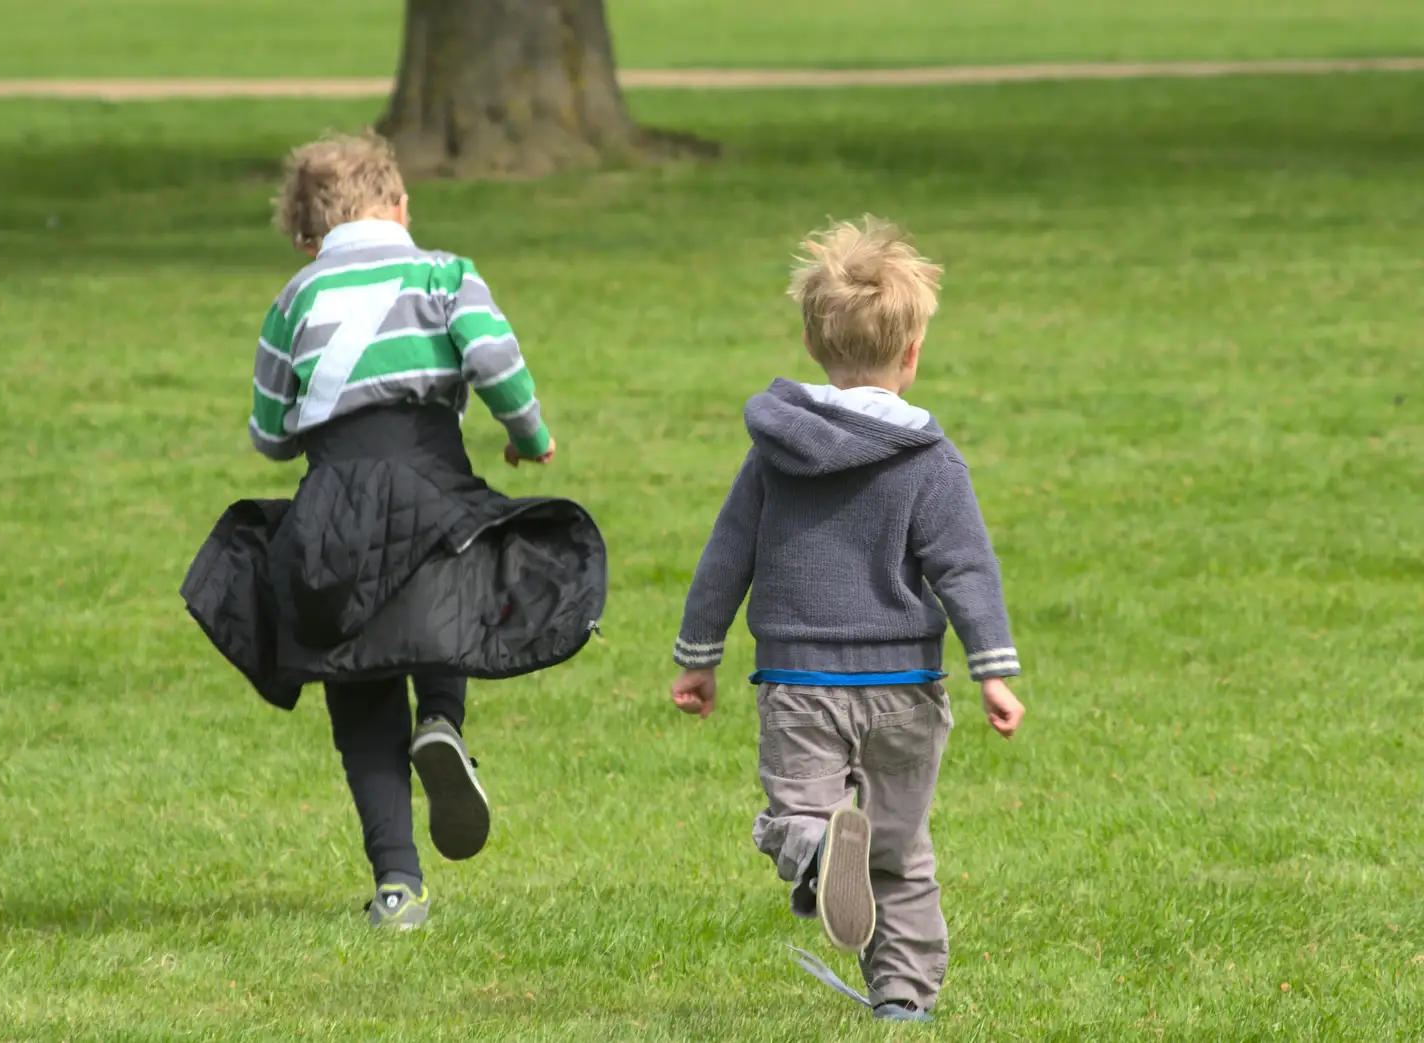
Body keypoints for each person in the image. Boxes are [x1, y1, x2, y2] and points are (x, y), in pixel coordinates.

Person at [182, 131, 606, 932]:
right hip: (432, 483)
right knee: (458, 602)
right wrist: (528, 431)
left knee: (359, 683)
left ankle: (398, 887)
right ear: (402, 206)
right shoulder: (444, 272)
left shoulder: (293, 299)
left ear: (308, 240)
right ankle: (442, 719)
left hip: (333, 508)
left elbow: (270, 434)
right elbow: (491, 355)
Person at [668, 217, 1025, 1022]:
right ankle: (902, 996)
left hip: (799, 682)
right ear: (912, 353)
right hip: (905, 688)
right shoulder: (930, 460)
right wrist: (994, 670)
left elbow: (728, 555)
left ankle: (817, 847)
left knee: (795, 814)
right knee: (900, 853)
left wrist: (700, 654)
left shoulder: (776, 451)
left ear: (810, 340)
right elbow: (963, 567)